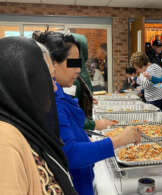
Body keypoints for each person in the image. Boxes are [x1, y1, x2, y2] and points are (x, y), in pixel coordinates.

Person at [34, 31, 141, 195]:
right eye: (73, 63)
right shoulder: (52, 101)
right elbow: (70, 154)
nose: (78, 70)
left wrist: (83, 137)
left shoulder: (58, 91)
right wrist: (119, 140)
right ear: (52, 63)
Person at [0, 37, 77, 194]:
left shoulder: (26, 125)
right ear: (22, 82)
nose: (54, 88)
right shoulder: (4, 141)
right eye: (49, 78)